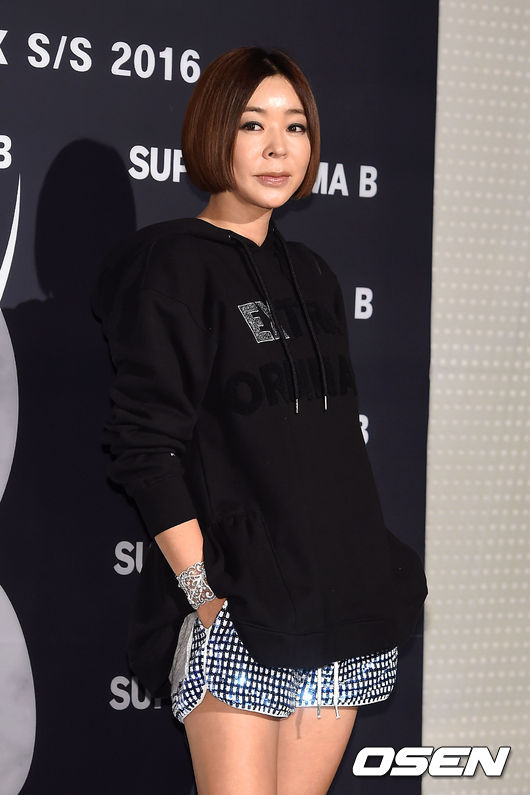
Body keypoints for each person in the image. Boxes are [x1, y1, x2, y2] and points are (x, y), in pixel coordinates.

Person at [92, 46, 428, 794]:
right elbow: (146, 445)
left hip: (340, 607)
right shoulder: (173, 267)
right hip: (240, 611)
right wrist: (205, 595)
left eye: (295, 126)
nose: (279, 148)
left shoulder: (315, 275)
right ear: (215, 133)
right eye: (253, 124)